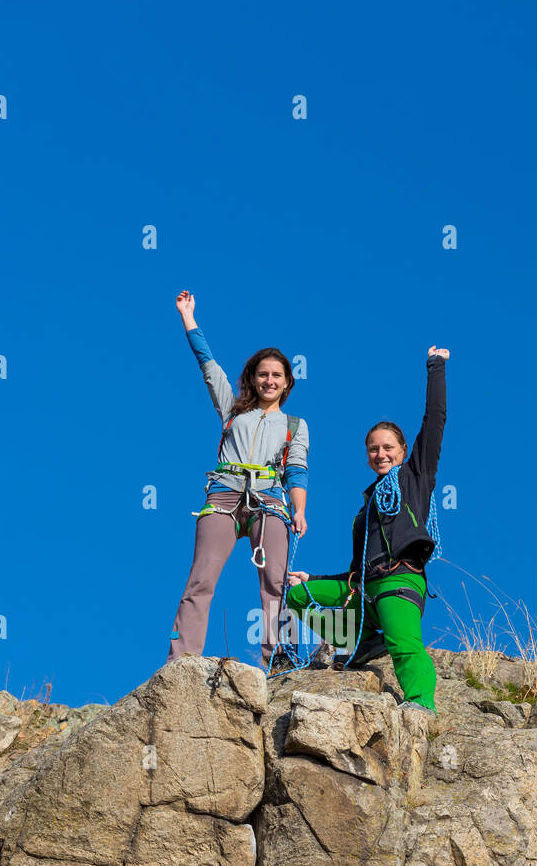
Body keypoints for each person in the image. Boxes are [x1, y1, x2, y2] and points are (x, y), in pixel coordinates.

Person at [285, 346, 448, 711]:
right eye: (373, 449)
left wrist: (435, 367)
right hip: (363, 588)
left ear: (404, 451)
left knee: (405, 646)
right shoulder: (367, 506)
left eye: (388, 447)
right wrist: (316, 577)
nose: (381, 454)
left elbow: (435, 419)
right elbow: (359, 565)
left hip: (398, 582)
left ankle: (421, 701)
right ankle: (362, 645)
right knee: (297, 596)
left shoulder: (416, 477)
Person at [167, 291, 309, 666]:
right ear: (253, 378)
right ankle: (183, 658)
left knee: (276, 583)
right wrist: (188, 317)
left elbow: (296, 468)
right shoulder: (232, 409)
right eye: (263, 374)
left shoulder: (295, 425)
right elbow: (208, 366)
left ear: (287, 383)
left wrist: (299, 511)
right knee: (200, 579)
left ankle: (281, 656)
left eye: (277, 375)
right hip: (225, 495)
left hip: (270, 502)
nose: (269, 380)